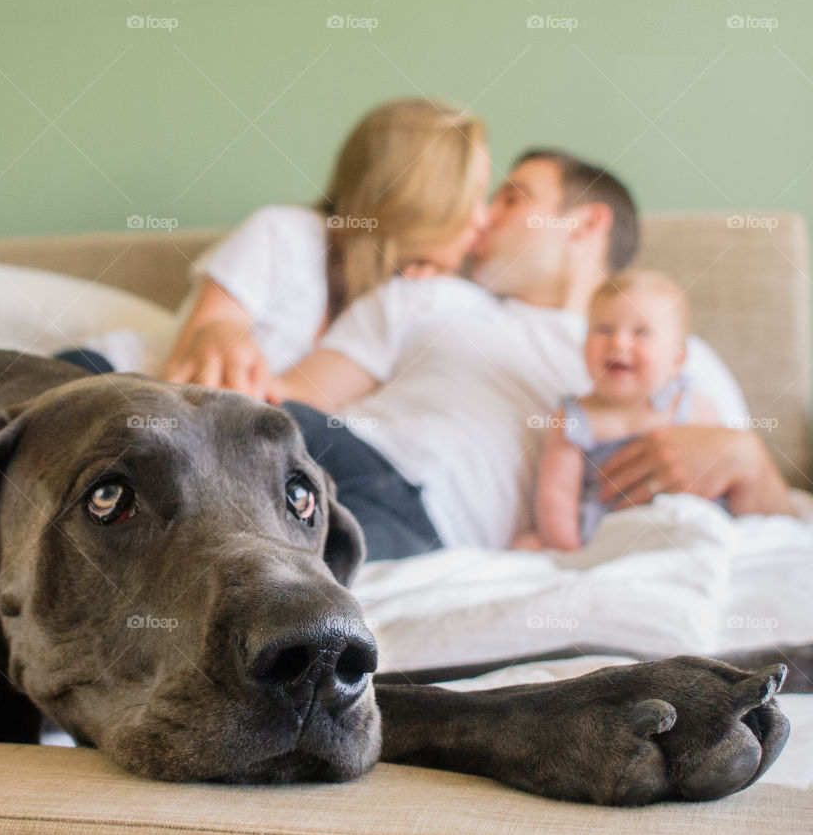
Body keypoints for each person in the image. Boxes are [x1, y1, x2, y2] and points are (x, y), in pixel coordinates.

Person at [272, 150, 795, 560]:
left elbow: (775, 540)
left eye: (512, 198)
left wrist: (750, 464)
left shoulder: (679, 358)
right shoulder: (426, 296)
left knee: (287, 572)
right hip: (325, 450)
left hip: (420, 520)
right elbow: (281, 404)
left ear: (587, 223)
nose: (481, 218)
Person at [162, 98, 491, 399]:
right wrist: (219, 333)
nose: (483, 218)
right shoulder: (283, 233)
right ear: (417, 195)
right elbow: (209, 332)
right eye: (472, 195)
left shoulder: (419, 297)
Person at [513, 269, 721, 553]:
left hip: (678, 530)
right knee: (526, 547)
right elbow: (557, 494)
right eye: (603, 329)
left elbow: (719, 473)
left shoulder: (692, 407)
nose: (618, 342)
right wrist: (566, 549)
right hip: (603, 539)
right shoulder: (575, 419)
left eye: (642, 332)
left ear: (678, 359)